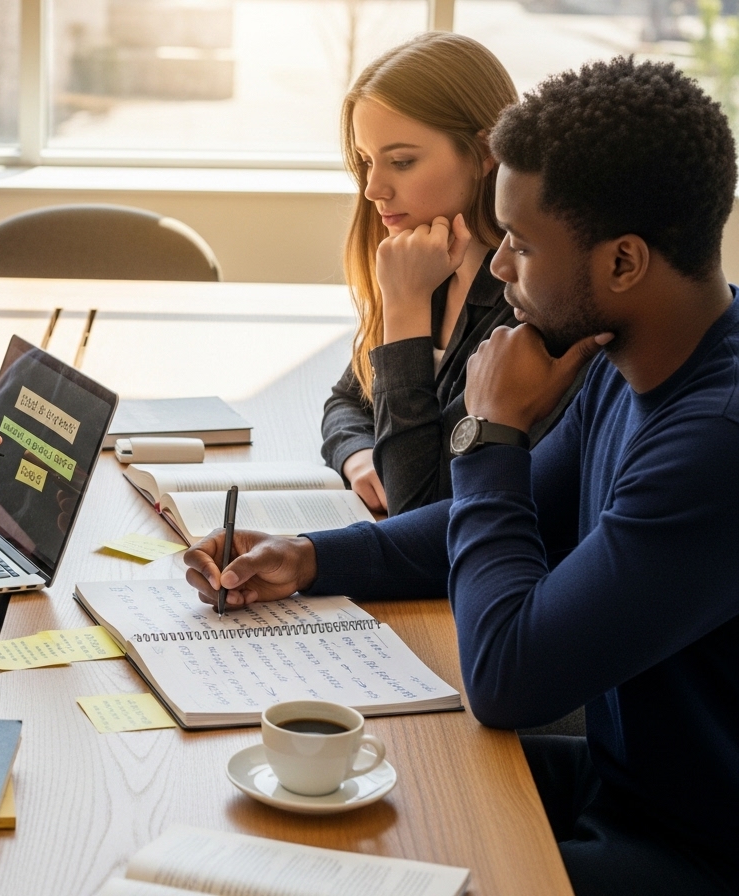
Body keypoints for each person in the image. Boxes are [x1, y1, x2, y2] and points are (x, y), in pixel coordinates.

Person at [186, 58, 739, 894]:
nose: (502, 267)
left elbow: (508, 680)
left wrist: (490, 433)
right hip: (625, 789)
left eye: (520, 243)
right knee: (320, 813)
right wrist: (309, 557)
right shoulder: (622, 360)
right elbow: (498, 519)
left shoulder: (715, 442)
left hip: (699, 850)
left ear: (623, 262)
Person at [321, 33, 577, 517]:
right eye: (366, 162)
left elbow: (417, 504)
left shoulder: (526, 305)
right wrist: (356, 456)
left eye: (401, 161)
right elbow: (349, 399)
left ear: (484, 153)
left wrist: (404, 308)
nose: (373, 187)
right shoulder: (432, 260)